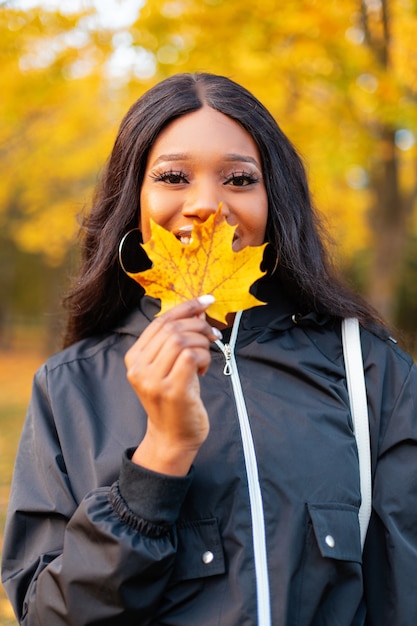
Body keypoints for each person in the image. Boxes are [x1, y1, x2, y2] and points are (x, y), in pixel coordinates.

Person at [2, 72, 417, 626]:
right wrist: (161, 458)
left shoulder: (370, 370)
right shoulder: (69, 386)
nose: (206, 204)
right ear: (133, 203)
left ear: (276, 201)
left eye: (239, 179)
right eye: (173, 176)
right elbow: (49, 617)